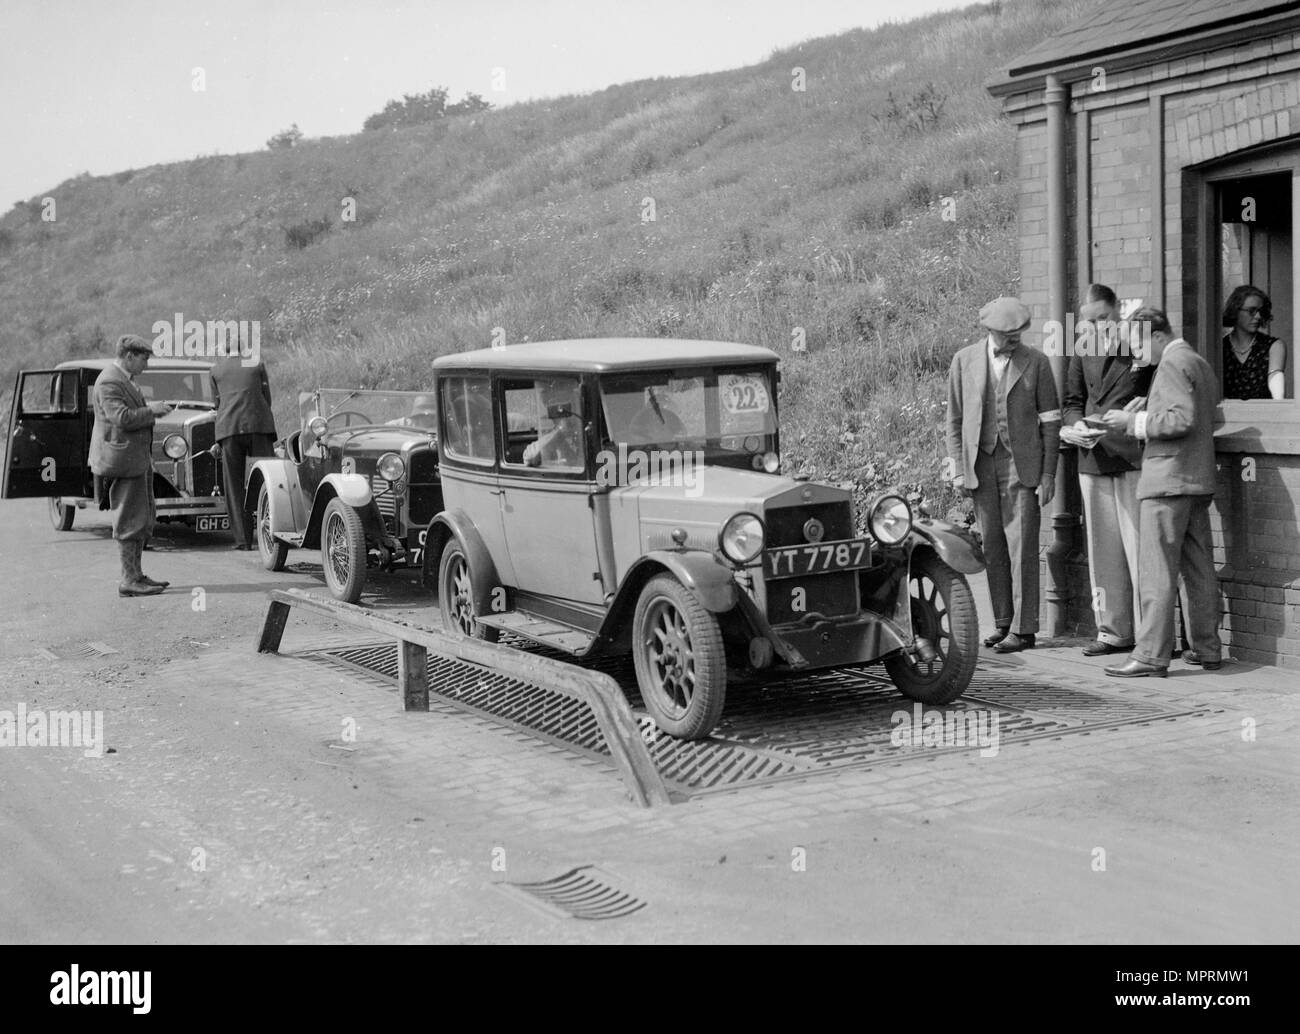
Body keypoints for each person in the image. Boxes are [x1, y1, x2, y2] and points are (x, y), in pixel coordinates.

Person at [1101, 307, 1221, 677]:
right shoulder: (1197, 361)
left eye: (1138, 345)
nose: (1137, 355)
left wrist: (1132, 421)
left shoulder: (1170, 364)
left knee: (1157, 571)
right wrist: (1149, 407)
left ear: (1156, 336)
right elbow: (1201, 415)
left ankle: (1151, 654)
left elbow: (1180, 419)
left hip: (1166, 482)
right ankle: (1207, 648)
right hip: (1194, 480)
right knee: (1199, 569)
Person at [946, 296, 1061, 652]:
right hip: (980, 464)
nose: (1016, 340)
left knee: (1023, 545)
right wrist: (957, 470)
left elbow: (1052, 422)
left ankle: (1024, 630)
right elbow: (954, 420)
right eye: (1009, 335)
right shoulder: (963, 361)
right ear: (990, 331)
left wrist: (1048, 474)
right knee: (992, 546)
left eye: (1019, 334)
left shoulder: (1037, 362)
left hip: (1021, 466)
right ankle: (1001, 622)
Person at [1060, 284, 1153, 656]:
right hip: (1092, 458)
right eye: (1090, 321)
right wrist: (1075, 425)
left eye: (1104, 319)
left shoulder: (1141, 345)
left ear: (1118, 311)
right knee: (1103, 552)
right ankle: (1113, 632)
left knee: (1140, 548)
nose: (1098, 327)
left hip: (1132, 457)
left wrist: (1139, 411)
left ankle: (1151, 636)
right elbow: (1071, 401)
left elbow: (1157, 393)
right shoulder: (1083, 350)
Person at [88, 335, 175, 597]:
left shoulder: (124, 380)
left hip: (134, 459)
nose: (146, 364)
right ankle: (128, 579)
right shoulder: (110, 381)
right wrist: (153, 411)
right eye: (144, 358)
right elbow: (121, 418)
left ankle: (136, 575)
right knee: (128, 520)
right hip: (122, 462)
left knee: (142, 517)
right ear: (129, 356)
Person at [211, 354, 277, 550]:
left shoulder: (215, 370)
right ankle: (273, 533)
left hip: (229, 428)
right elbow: (267, 398)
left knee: (234, 485)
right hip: (258, 425)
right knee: (269, 480)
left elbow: (217, 403)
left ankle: (242, 540)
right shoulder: (257, 364)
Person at [1221, 285, 1286, 400]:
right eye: (1252, 311)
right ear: (1235, 311)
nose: (1258, 316)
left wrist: (1279, 405)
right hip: (1228, 416)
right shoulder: (1220, 348)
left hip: (1264, 415)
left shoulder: (1274, 346)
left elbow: (1275, 378)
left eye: (1261, 311)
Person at [523, 380, 584, 467]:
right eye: (553, 406)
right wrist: (560, 433)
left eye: (564, 404)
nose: (559, 412)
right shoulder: (550, 437)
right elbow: (531, 458)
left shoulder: (586, 430)